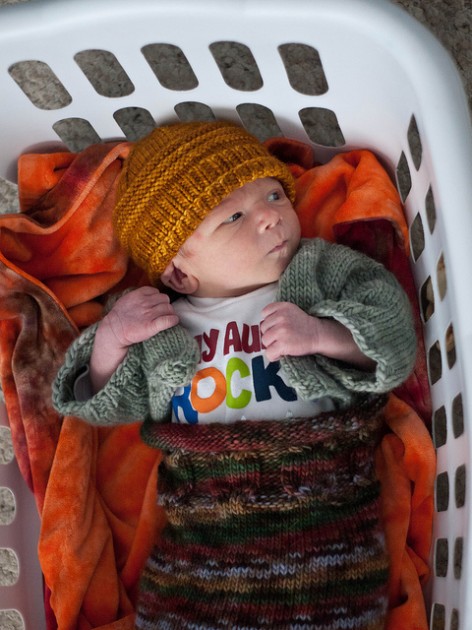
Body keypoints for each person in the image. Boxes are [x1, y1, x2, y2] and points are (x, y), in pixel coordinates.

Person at [53, 120, 417, 629]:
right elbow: (109, 399)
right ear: (180, 272)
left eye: (274, 194)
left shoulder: (318, 273)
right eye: (235, 216)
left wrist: (322, 334)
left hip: (323, 510)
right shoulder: (161, 324)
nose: (270, 216)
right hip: (203, 527)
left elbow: (393, 342)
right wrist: (111, 340)